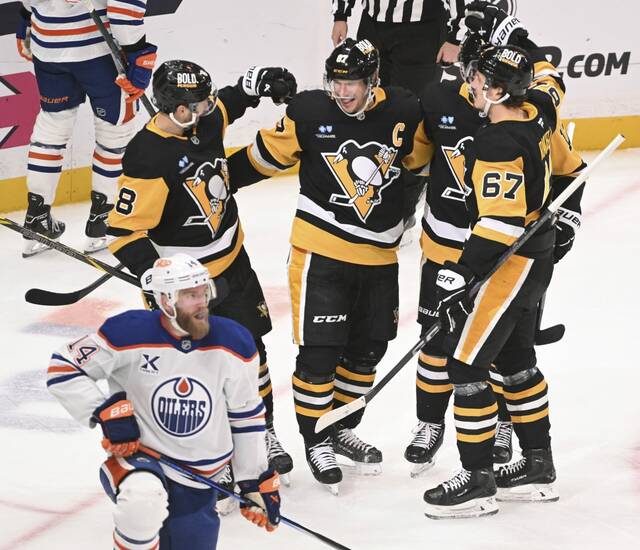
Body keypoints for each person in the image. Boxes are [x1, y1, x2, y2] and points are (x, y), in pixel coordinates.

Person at [228, 38, 432, 493]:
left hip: (380, 255)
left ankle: (340, 426)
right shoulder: (309, 112)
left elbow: (422, 161)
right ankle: (316, 438)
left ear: (372, 82)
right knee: (320, 352)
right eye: (336, 83)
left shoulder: (404, 109)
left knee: (368, 350)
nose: (342, 92)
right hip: (320, 252)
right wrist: (211, 180)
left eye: (352, 84)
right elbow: (262, 158)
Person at [105, 59, 298, 493]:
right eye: (187, 109)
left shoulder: (205, 120)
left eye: (202, 105)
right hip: (185, 285)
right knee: (196, 369)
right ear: (166, 107)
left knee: (251, 355)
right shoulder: (146, 154)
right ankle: (214, 451)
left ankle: (260, 432)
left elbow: (228, 103)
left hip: (233, 263)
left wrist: (255, 84)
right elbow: (123, 231)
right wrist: (151, 273)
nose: (199, 116)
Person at [405, 25, 586, 477]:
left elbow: (498, 224)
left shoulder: (496, 141)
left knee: (465, 368)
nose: (471, 84)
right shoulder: (540, 109)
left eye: (480, 79)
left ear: (498, 89)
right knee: (517, 361)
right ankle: (538, 466)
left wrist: (462, 273)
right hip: (532, 256)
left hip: (506, 264)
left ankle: (477, 476)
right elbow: (549, 83)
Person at [46, 253, 281, 548]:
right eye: (190, 295)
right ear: (166, 300)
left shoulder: (234, 342)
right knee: (141, 499)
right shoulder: (127, 332)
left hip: (201, 479)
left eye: (203, 292)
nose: (202, 302)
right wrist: (104, 411)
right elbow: (64, 367)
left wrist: (253, 480)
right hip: (140, 461)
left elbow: (246, 415)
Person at [17, 0, 157, 257]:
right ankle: (105, 220)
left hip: (47, 47)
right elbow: (124, 5)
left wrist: (26, 17)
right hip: (97, 53)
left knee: (52, 125)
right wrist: (138, 51)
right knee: (116, 131)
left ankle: (37, 216)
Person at [330, 0, 447, 235]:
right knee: (371, 110)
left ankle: (403, 210)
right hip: (373, 24)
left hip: (422, 28)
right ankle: (366, 199)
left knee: (412, 121)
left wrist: (455, 35)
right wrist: (341, 14)